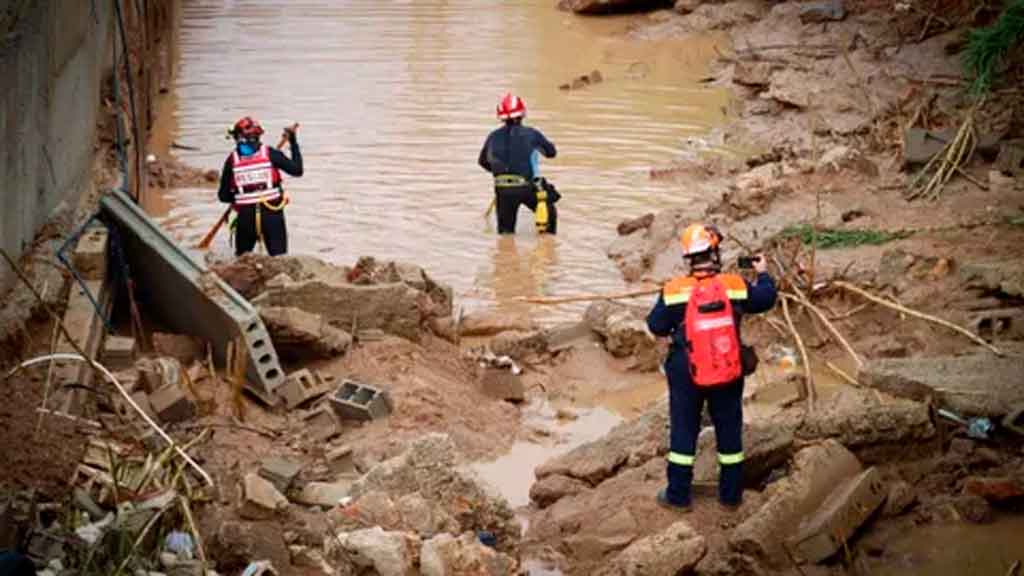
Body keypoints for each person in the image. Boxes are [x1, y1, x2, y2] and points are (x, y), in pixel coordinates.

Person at [646, 223, 777, 510]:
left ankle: (678, 496)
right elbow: (766, 298)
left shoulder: (673, 290)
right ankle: (730, 496)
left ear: (688, 258)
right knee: (729, 430)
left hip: (685, 370)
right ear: (715, 253)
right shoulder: (734, 285)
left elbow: (656, 325)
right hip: (726, 365)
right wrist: (763, 273)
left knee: (683, 430)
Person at [218, 116, 303, 256]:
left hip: (246, 217)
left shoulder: (232, 160)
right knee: (279, 260)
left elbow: (223, 196)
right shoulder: (271, 153)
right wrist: (293, 142)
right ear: (258, 135)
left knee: (243, 261)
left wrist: (239, 197)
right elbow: (297, 170)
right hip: (272, 215)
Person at [478, 94, 558, 235]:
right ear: (522, 114)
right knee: (549, 211)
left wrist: (501, 172)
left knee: (505, 234)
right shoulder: (532, 134)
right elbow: (551, 153)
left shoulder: (492, 136)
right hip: (527, 186)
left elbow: (482, 162)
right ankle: (547, 241)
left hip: (502, 188)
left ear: (501, 117)